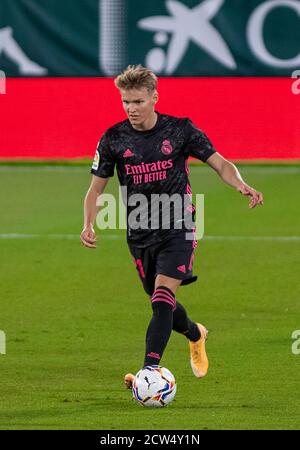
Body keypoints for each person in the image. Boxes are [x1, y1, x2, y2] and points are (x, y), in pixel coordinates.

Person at [80, 65, 264, 389]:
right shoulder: (113, 138)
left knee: (163, 295)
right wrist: (88, 224)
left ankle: (149, 371)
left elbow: (220, 163)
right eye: (125, 102)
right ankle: (195, 332)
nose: (131, 109)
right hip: (139, 232)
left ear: (154, 97)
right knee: (159, 300)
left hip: (179, 225)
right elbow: (96, 189)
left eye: (137, 101)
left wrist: (241, 184)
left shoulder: (180, 130)